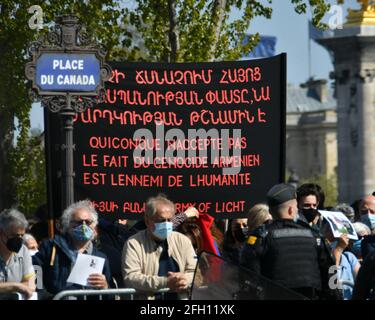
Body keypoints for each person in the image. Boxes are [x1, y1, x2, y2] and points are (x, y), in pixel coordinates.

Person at [240, 183, 323, 299]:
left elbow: (249, 278)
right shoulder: (314, 236)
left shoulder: (260, 238)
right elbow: (330, 273)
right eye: (296, 207)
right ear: (290, 210)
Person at [121, 194, 196, 299]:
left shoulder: (183, 241)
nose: (166, 224)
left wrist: (185, 280)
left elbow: (196, 273)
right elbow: (131, 278)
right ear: (147, 221)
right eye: (161, 220)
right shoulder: (134, 243)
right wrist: (164, 282)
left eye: (169, 220)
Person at [33, 200, 113, 296]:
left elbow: (110, 295)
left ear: (94, 226)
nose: (83, 226)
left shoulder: (100, 258)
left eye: (88, 222)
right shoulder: (50, 248)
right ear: (68, 224)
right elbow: (35, 270)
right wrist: (43, 295)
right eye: (78, 222)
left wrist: (105, 287)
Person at [0, 209, 36, 299]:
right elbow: (23, 286)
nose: (19, 239)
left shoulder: (23, 251)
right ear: (1, 232)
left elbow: (31, 284)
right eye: (14, 235)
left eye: (21, 235)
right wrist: (16, 286)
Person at [321, 221, 360, 300]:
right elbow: (332, 282)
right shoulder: (320, 257)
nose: (336, 238)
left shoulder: (349, 257)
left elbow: (363, 281)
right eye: (330, 231)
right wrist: (338, 249)